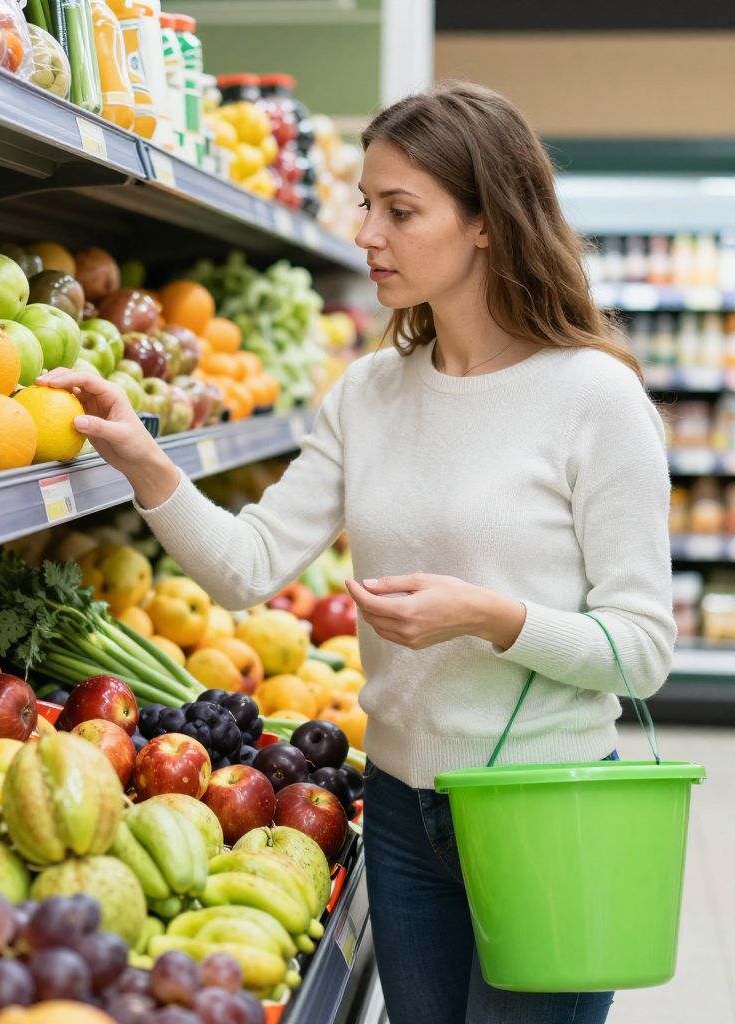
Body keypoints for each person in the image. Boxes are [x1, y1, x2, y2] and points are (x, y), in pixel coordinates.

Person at [36, 80, 674, 1024]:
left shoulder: (595, 398)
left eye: (400, 211)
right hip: (401, 811)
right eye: (367, 204)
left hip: (544, 809)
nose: (368, 233)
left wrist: (489, 618)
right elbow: (248, 566)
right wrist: (145, 461)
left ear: (487, 221)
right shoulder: (368, 392)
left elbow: (643, 651)